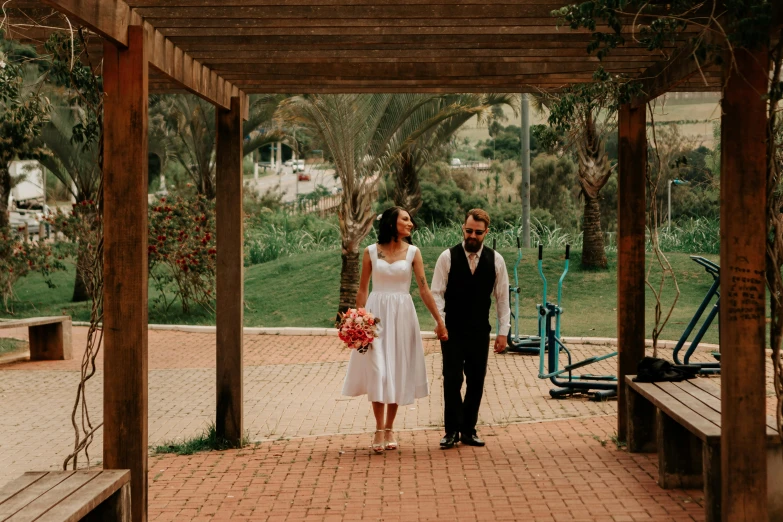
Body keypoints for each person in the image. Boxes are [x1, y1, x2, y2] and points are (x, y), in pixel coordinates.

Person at [342, 206, 448, 453]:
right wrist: (359, 320)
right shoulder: (371, 252)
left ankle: (390, 427)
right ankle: (379, 428)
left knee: (397, 369)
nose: (411, 223)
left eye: (410, 220)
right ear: (392, 222)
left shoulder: (413, 252)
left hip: (402, 315)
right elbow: (362, 289)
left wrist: (439, 320)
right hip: (376, 314)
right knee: (377, 369)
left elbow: (423, 289)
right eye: (405, 219)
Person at [431, 208, 510, 449]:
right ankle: (451, 431)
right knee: (452, 379)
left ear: (486, 232)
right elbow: (437, 293)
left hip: (479, 331)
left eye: (477, 232)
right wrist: (440, 323)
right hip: (452, 330)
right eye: (468, 231)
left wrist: (503, 332)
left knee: (476, 380)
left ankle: (468, 429)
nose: (472, 236)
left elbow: (502, 298)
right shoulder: (447, 257)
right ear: (462, 229)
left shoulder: (496, 260)